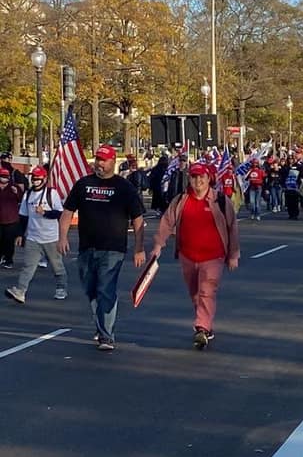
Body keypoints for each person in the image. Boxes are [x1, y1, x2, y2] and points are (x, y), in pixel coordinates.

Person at [58, 144, 146, 351]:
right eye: (97, 159)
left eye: (103, 160)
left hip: (113, 248)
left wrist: (139, 248)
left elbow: (138, 219)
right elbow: (67, 212)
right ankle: (101, 327)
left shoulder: (124, 187)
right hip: (87, 247)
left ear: (113, 162)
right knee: (91, 290)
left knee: (105, 289)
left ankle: (106, 336)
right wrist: (61, 237)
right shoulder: (83, 184)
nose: (99, 163)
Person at [150, 161, 240, 348]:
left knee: (207, 291)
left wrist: (233, 255)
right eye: (194, 176)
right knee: (195, 294)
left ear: (209, 179)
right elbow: (167, 222)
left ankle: (201, 328)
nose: (198, 180)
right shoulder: (181, 200)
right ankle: (206, 325)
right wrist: (159, 245)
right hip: (187, 255)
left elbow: (233, 229)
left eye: (201, 177)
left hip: (213, 256)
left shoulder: (220, 201)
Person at [6, 166, 69, 304]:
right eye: (33, 178)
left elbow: (60, 213)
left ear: (44, 179)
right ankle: (20, 291)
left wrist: (45, 212)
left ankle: (61, 287)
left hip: (51, 238)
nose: (35, 181)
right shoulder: (28, 195)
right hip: (33, 237)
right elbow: (23, 216)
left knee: (56, 265)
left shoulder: (51, 194)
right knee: (28, 266)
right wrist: (20, 234)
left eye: (38, 179)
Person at [0, 167, 22, 267]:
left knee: (9, 241)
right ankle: (1, 257)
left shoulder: (14, 187)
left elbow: (21, 199)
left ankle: (9, 260)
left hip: (11, 220)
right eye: (2, 176)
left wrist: (16, 192)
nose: (3, 179)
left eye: (5, 177)